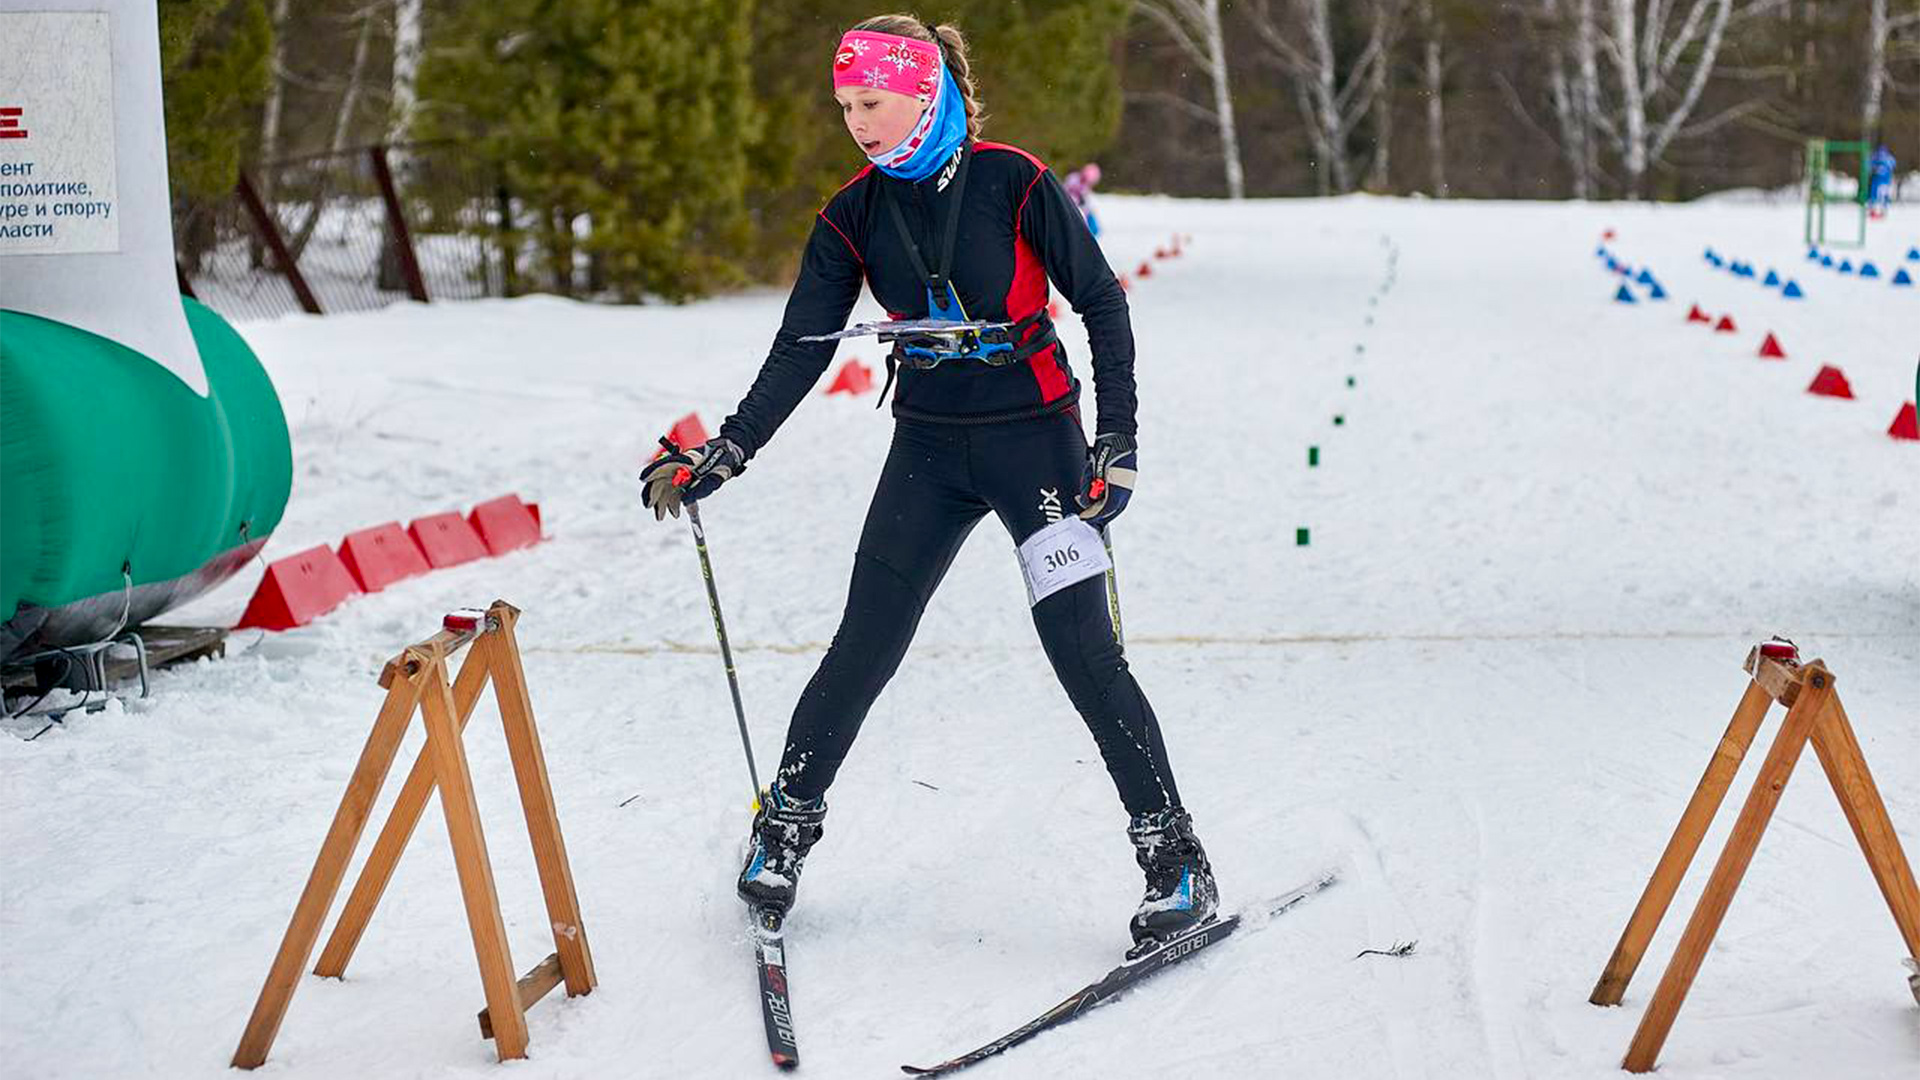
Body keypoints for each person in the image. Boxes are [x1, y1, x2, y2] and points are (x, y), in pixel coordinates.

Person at [640, 14, 1217, 956]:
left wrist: (1116, 441)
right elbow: (802, 346)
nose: (856, 122)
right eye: (844, 106)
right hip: (930, 451)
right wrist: (731, 448)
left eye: (870, 102)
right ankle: (783, 831)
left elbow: (1101, 299)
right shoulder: (852, 212)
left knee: (1082, 652)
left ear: (922, 89)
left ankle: (1175, 859)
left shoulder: (1013, 180)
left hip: (1039, 447)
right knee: (864, 644)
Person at [1063, 162, 1103, 238]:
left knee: (1093, 225)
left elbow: (1085, 198)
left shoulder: (1085, 185)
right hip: (1072, 206)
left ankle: (1090, 236)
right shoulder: (1073, 179)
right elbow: (1067, 192)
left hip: (1082, 208)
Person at [1867, 144, 1895, 219]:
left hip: (1884, 182)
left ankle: (1882, 211)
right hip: (1876, 181)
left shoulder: (1888, 159)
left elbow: (1892, 166)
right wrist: (1873, 169)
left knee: (1882, 196)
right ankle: (1873, 210)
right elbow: (1868, 166)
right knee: (1873, 196)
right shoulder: (1875, 158)